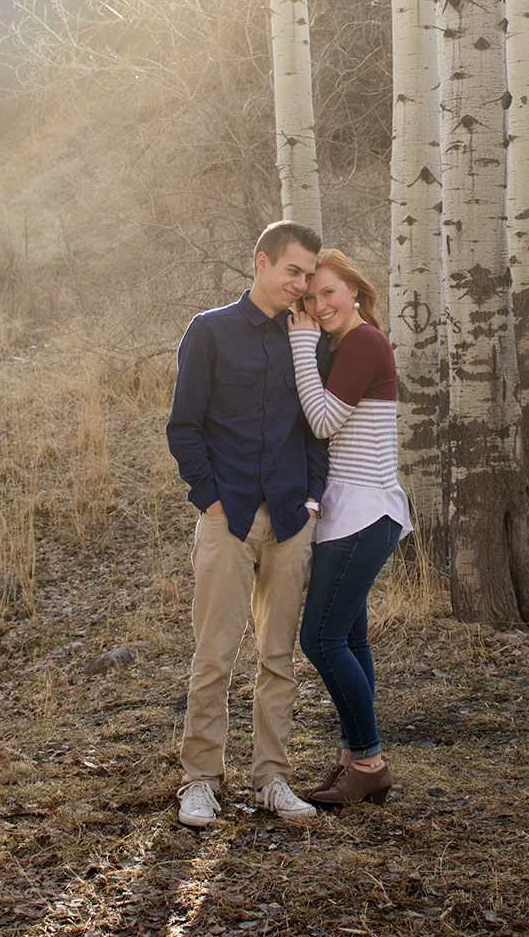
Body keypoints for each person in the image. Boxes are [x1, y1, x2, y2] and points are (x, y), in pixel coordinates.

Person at [166, 220, 328, 827]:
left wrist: (312, 498)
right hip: (227, 516)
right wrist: (209, 499)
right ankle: (201, 781)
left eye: (309, 275)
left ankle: (272, 778)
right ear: (261, 263)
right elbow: (183, 425)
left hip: (290, 517)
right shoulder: (209, 332)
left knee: (278, 655)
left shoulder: (306, 337)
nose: (302, 284)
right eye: (293, 271)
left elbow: (315, 425)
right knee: (214, 655)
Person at [286, 249, 412, 806]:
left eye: (329, 293)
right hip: (354, 513)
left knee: (320, 637)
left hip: (364, 514)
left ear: (355, 292)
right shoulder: (349, 346)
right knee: (351, 639)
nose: (319, 305)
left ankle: (369, 760)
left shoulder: (362, 342)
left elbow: (322, 420)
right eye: (311, 298)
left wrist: (298, 343)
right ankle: (353, 760)